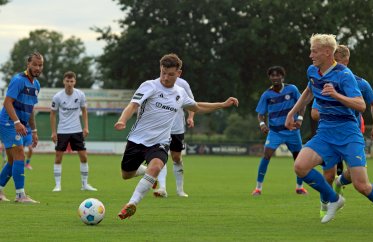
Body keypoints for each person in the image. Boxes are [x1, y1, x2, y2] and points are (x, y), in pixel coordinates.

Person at [285, 34, 373, 229]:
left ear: (327, 52)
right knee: (300, 166)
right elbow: (309, 91)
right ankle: (333, 199)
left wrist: (336, 95)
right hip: (325, 132)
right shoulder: (312, 70)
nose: (310, 55)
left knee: (361, 185)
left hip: (348, 134)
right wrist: (292, 112)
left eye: (314, 51)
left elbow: (361, 105)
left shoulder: (344, 75)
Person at [115, 53, 239, 220]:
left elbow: (197, 107)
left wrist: (222, 105)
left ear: (178, 73)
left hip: (160, 142)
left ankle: (132, 204)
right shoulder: (149, 86)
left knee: (157, 166)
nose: (166, 77)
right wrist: (122, 120)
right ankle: (145, 172)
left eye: (171, 74)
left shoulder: (180, 92)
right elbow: (133, 105)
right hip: (138, 139)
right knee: (126, 174)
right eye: (163, 73)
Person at [311, 45, 373, 211]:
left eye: (338, 61)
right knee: (327, 174)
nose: (334, 64)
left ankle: (340, 181)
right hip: (329, 133)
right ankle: (324, 205)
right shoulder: (325, 82)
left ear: (346, 61)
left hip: (352, 133)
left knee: (354, 174)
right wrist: (333, 112)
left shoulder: (360, 83)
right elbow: (314, 113)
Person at [252, 66, 308, 196]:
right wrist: (262, 124)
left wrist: (299, 119)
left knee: (298, 159)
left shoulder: (292, 89)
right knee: (266, 155)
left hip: (292, 130)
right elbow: (260, 114)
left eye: (278, 75)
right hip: (275, 132)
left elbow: (302, 103)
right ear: (270, 78)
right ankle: (258, 188)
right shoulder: (266, 95)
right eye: (272, 75)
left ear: (283, 77)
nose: (275, 77)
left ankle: (300, 187)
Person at [0, 52, 43, 203]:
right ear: (28, 64)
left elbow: (30, 109)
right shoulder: (18, 80)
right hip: (8, 122)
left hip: (17, 124)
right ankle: (20, 195)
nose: (38, 68)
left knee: (12, 161)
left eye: (40, 65)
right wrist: (17, 122)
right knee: (20, 155)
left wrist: (35, 131)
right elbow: (7, 103)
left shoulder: (36, 85)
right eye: (35, 65)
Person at [50, 71, 97, 192]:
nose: (69, 84)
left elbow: (84, 111)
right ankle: (58, 185)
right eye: (67, 81)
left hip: (77, 130)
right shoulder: (57, 96)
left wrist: (86, 127)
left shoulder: (80, 95)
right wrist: (54, 132)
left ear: (74, 82)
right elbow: (53, 114)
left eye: (71, 81)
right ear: (63, 82)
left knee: (84, 157)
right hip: (62, 130)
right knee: (58, 157)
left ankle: (85, 184)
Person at [153, 77, 195, 198]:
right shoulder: (155, 84)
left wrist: (190, 117)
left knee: (176, 158)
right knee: (161, 156)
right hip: (161, 128)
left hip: (177, 128)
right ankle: (162, 188)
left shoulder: (183, 84)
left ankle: (180, 190)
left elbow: (192, 103)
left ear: (178, 72)